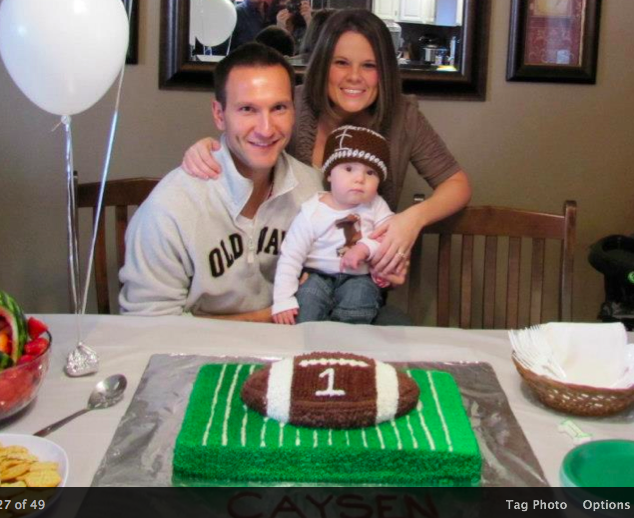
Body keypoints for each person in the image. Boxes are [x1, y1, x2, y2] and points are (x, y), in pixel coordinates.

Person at [182, 9, 471, 285]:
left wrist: (411, 220)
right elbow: (248, 141)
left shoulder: (402, 117)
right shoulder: (292, 106)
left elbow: (456, 184)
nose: (354, 76)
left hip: (360, 278)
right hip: (282, 277)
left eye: (369, 65)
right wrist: (211, 148)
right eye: (341, 63)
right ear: (323, 65)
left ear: (384, 70)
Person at [118, 43, 322, 319]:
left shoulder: (316, 192)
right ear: (219, 114)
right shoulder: (169, 209)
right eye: (247, 109)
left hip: (292, 345)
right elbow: (149, 326)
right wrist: (268, 317)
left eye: (279, 108)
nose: (266, 129)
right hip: (195, 348)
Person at [272, 125, 394, 325]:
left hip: (358, 277)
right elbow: (291, 256)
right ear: (329, 174)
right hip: (318, 275)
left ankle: (346, 341)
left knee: (359, 300)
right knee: (307, 303)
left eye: (370, 172)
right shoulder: (312, 211)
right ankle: (309, 340)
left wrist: (365, 248)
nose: (359, 179)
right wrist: (283, 300)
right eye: (349, 169)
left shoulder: (376, 205)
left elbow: (390, 237)